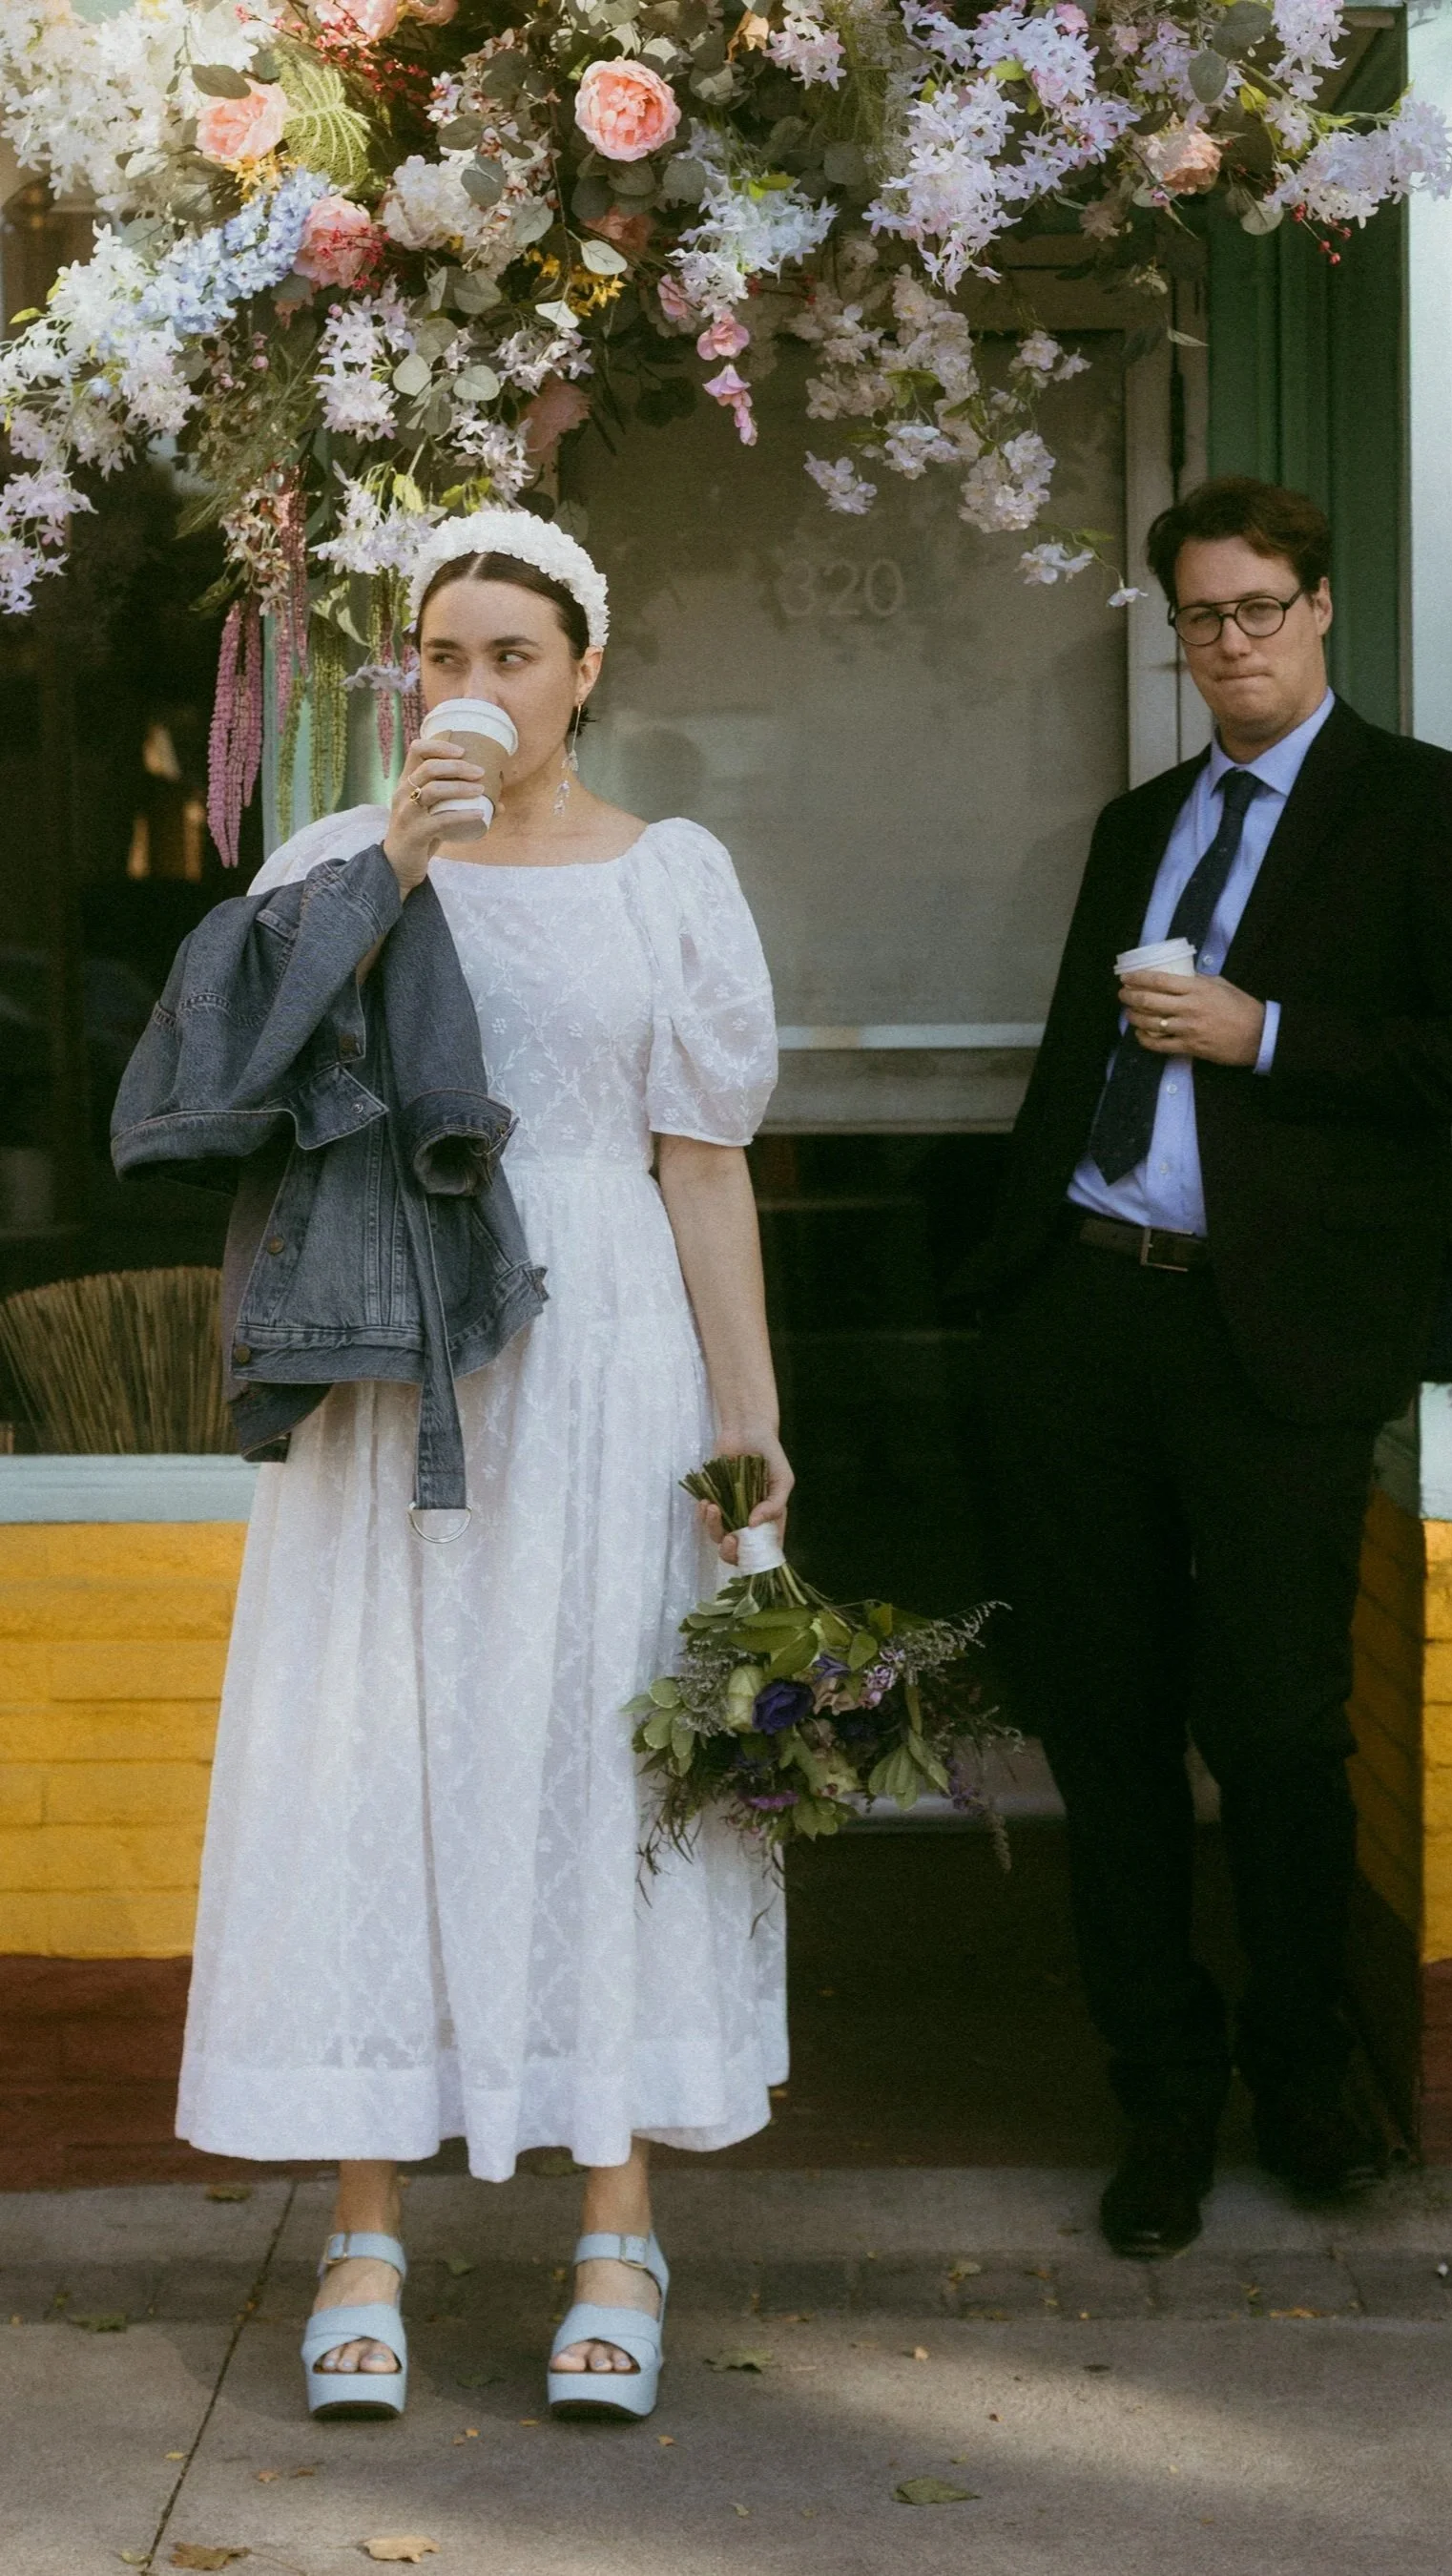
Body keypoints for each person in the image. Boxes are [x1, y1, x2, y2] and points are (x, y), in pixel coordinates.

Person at [169, 509, 791, 2419]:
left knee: (603, 1752)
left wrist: (749, 1418)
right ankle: (363, 2234)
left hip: (605, 1356)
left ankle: (618, 2227)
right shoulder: (333, 859)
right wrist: (393, 867)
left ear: (583, 674)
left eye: (513, 656)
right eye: (444, 655)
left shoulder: (669, 876)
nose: (475, 688)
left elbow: (702, 1160)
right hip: (396, 1348)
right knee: (378, 1753)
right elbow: (241, 1090)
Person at [969, 477, 1452, 2255]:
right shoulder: (1138, 823)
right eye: (1199, 617)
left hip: (1277, 1337)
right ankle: (1161, 2095)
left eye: (1256, 609)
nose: (1228, 643)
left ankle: (1303, 2072)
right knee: (1106, 1726)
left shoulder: (1423, 807)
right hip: (1087, 1316)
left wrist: (1268, 1033)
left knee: (1280, 1726)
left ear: (1318, 610)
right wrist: (1009, 1283)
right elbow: (1074, 1063)